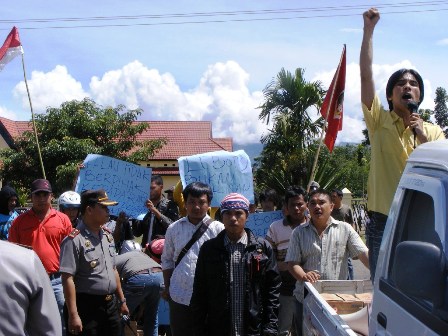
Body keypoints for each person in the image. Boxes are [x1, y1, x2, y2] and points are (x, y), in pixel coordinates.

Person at [360, 7, 445, 281]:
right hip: (383, 219)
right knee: (382, 283)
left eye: (413, 83)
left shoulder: (434, 133)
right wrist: (368, 31)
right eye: (400, 83)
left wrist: (420, 134)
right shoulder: (378, 121)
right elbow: (365, 76)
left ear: (420, 93)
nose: (407, 87)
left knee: (418, 286)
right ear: (390, 94)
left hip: (422, 219)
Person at [191, 193, 281, 336]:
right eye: (228, 214)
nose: (233, 218)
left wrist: (270, 326)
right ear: (221, 216)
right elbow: (199, 292)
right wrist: (198, 328)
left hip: (253, 327)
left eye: (238, 213)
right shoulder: (209, 249)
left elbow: (272, 291)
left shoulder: (262, 248)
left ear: (247, 215)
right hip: (218, 327)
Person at [285, 189, 369, 336]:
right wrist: (304, 276)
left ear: (331, 206)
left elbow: (363, 254)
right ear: (308, 208)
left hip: (337, 301)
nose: (317, 206)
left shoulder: (345, 229)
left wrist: (381, 274)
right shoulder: (298, 233)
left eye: (322, 202)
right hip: (305, 299)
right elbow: (292, 263)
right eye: (313, 203)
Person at [59, 189, 129, 336]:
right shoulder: (74, 240)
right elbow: (67, 279)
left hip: (110, 305)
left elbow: (113, 269)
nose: (108, 211)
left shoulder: (107, 237)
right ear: (89, 210)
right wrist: (73, 314)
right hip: (87, 308)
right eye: (103, 207)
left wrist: (122, 300)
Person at [8, 179, 72, 334]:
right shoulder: (19, 222)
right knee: (30, 322)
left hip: (57, 281)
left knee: (60, 322)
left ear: (52, 196)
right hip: (29, 281)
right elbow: (12, 252)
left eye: (45, 194)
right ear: (31, 197)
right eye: (37, 195)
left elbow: (71, 251)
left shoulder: (63, 220)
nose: (42, 198)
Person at [161, 181, 224, 336]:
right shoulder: (174, 228)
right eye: (192, 202)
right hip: (179, 295)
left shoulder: (219, 229)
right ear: (185, 203)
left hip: (209, 298)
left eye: (201, 202)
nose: (196, 207)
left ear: (209, 203)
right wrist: (168, 287)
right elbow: (167, 260)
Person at [266, 186, 308, 336]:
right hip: (285, 289)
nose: (296, 208)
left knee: (307, 329)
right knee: (284, 329)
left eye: (300, 204)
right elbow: (268, 260)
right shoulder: (275, 228)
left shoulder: (313, 226)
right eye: (292, 205)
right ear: (286, 207)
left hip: (309, 290)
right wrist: (286, 266)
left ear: (306, 205)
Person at [0, 240, 62, 335]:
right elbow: (49, 330)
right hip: (39, 277)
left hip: (55, 277)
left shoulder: (24, 258)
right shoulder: (25, 258)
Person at [116, 248, 164, 336]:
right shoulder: (141, 255)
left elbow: (114, 282)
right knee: (152, 317)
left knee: (121, 316)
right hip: (159, 275)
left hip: (138, 277)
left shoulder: (115, 260)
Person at [133, 175, 179, 248]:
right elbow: (137, 233)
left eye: (152, 188)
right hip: (145, 251)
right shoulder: (144, 206)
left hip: (162, 251)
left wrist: (154, 211)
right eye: (148, 188)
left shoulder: (170, 205)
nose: (150, 191)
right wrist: (134, 215)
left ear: (161, 187)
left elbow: (173, 227)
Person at [330, 188, 356, 280]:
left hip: (345, 239)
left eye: (334, 196)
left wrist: (352, 237)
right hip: (332, 239)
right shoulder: (330, 210)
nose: (332, 198)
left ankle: (351, 281)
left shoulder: (347, 209)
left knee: (347, 261)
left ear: (340, 197)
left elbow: (352, 223)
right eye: (331, 196)